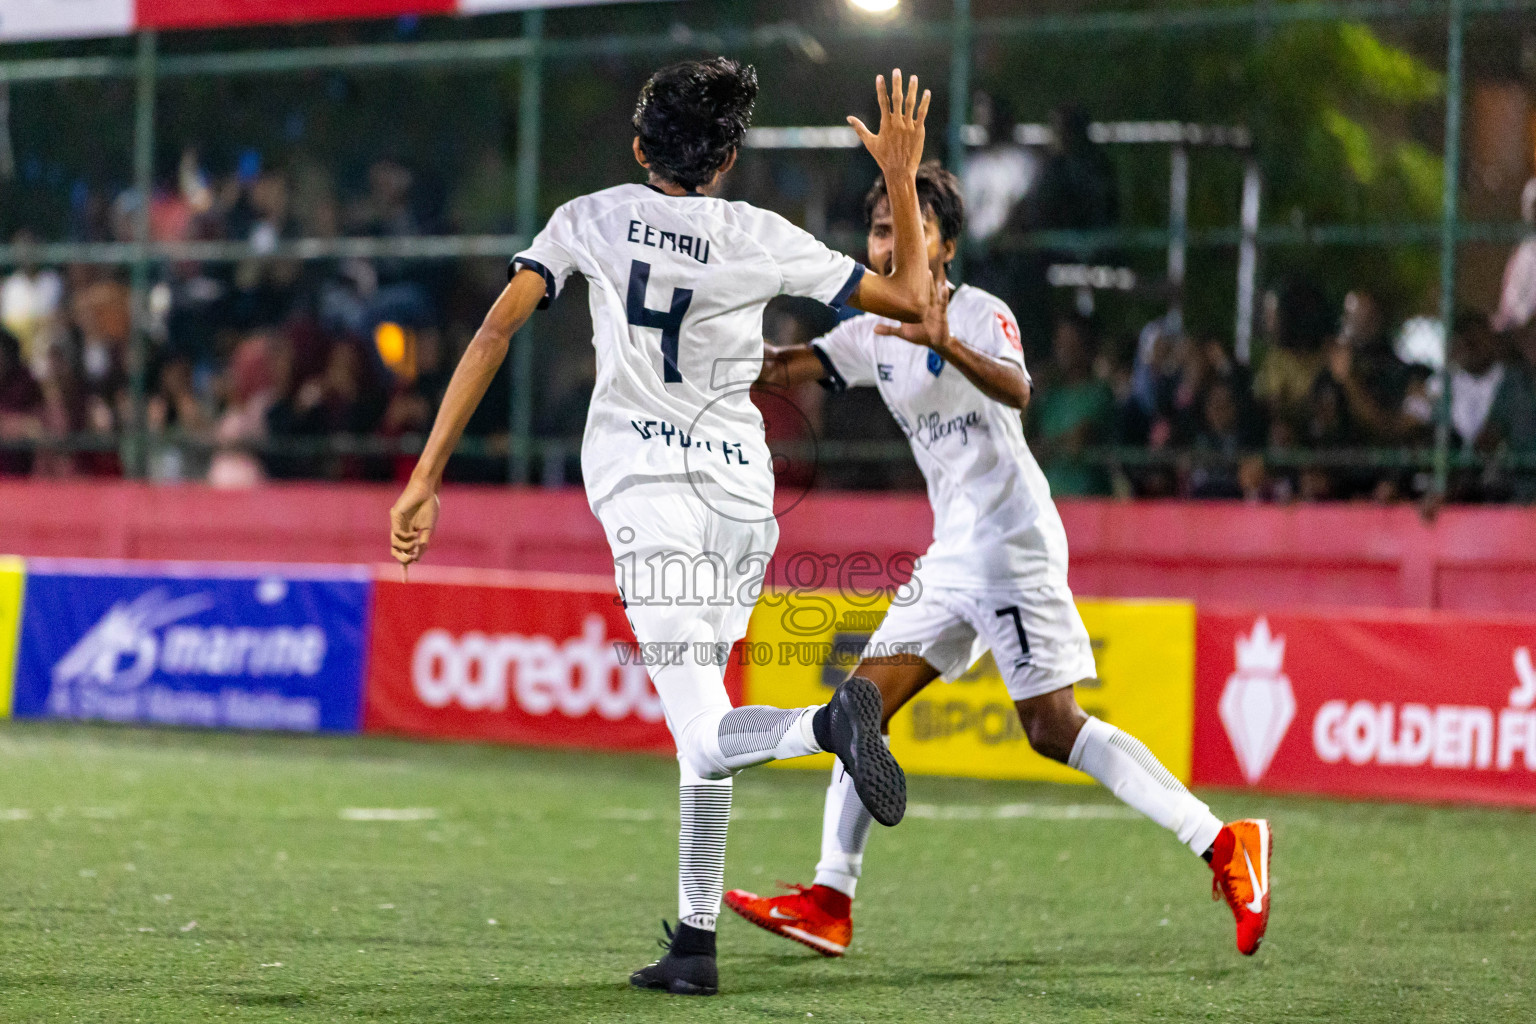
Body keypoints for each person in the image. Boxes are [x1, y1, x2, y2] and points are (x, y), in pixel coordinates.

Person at [387, 59, 936, 996]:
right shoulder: (762, 235)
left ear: (641, 147)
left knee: (703, 720)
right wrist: (897, 177)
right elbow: (917, 307)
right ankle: (693, 940)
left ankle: (827, 723)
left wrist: (426, 475)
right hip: (740, 498)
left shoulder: (588, 218)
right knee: (703, 723)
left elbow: (493, 333)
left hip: (648, 492)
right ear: (726, 160)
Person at [724, 163, 1273, 960]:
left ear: (943, 244)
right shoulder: (868, 329)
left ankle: (1226, 844)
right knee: (857, 712)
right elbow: (784, 368)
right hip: (955, 553)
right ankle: (828, 899)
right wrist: (706, 340)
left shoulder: (979, 312)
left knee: (1053, 729)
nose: (889, 242)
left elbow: (1019, 388)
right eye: (880, 229)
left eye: (908, 228)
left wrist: (947, 341)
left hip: (1010, 546)